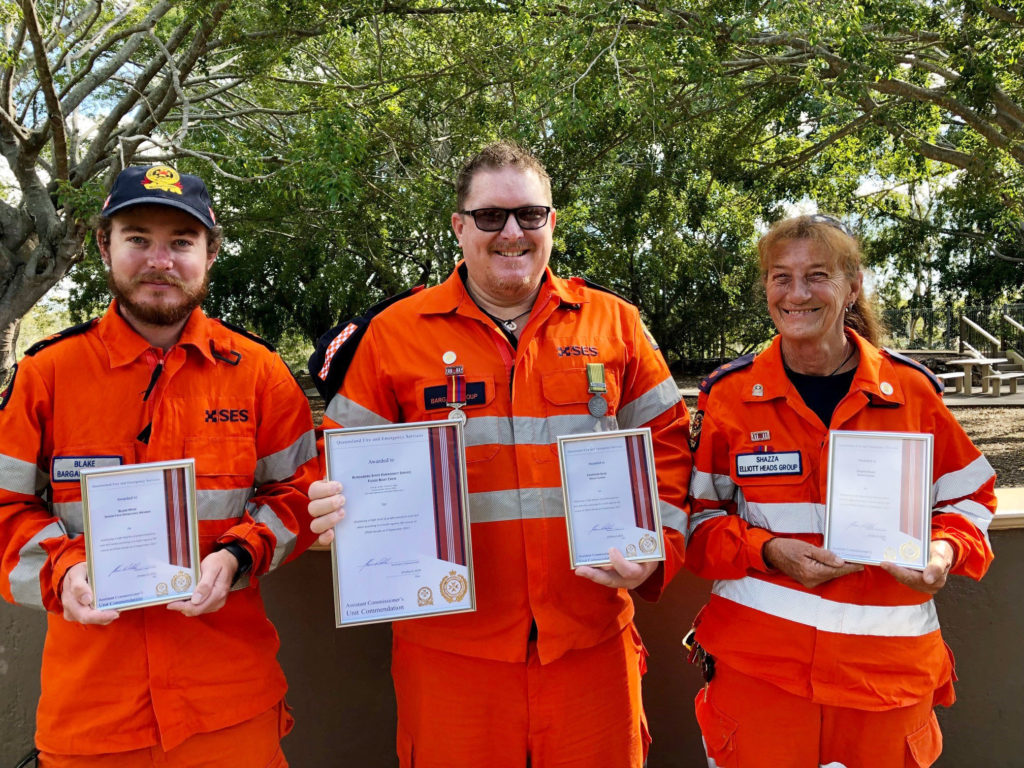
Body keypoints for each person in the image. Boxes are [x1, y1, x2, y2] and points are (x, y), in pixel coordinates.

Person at [308, 140, 691, 767]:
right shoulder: (394, 335)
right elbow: (336, 464)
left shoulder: (615, 325)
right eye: (490, 216)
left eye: (529, 215)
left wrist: (657, 557)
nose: (511, 231)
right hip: (451, 654)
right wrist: (328, 507)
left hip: (590, 644)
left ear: (551, 224)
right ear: (459, 227)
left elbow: (671, 455)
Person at [0, 164, 319, 766]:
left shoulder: (259, 376)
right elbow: (4, 505)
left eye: (181, 242)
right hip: (91, 711)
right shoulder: (48, 376)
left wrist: (238, 554)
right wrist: (63, 571)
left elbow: (300, 493)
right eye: (138, 238)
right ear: (105, 245)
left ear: (210, 251)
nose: (159, 260)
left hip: (229, 704)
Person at [685, 214, 996, 767]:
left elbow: (970, 499)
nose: (796, 293)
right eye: (781, 276)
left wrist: (943, 550)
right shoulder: (729, 397)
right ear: (766, 288)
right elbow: (699, 521)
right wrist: (768, 550)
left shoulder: (910, 393)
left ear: (853, 286)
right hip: (760, 674)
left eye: (817, 275)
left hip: (886, 680)